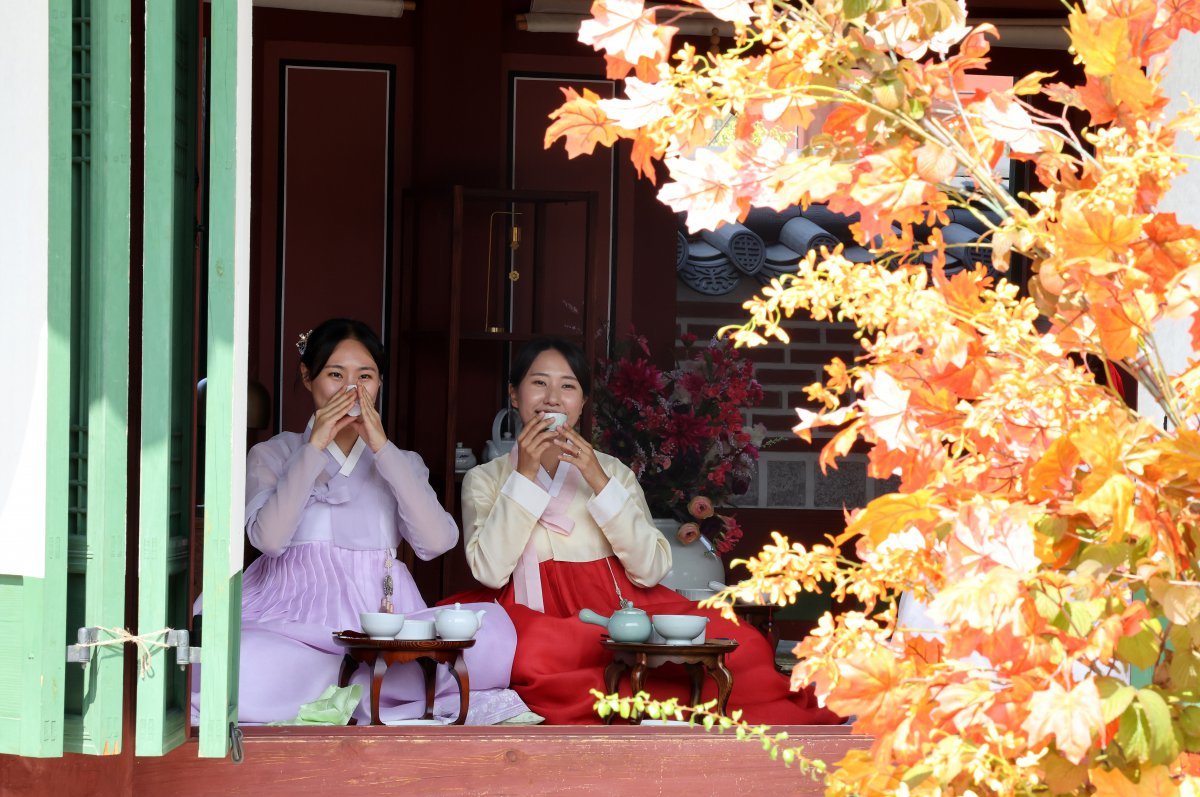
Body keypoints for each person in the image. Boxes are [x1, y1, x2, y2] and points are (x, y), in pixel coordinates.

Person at [449, 336, 840, 725]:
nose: (552, 397)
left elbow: (650, 570)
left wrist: (598, 481)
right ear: (514, 395)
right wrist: (527, 474)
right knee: (536, 655)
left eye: (568, 386)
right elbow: (490, 571)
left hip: (621, 605)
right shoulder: (485, 479)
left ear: (582, 403)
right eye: (539, 382)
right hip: (538, 615)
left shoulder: (611, 471)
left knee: (746, 644)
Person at [191, 318, 529, 725]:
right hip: (291, 625)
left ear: (379, 383)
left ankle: (342, 691)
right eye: (336, 375)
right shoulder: (272, 455)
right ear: (306, 377)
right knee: (234, 662)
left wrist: (382, 448)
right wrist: (314, 448)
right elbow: (270, 540)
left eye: (365, 376)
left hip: (382, 625)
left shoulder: (401, 461)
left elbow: (437, 542)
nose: (351, 390)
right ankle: (373, 692)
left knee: (494, 634)